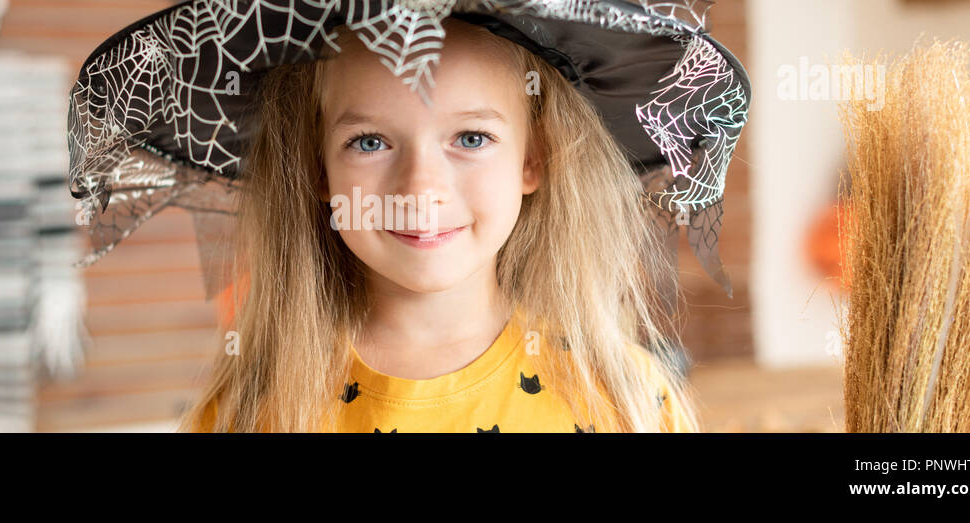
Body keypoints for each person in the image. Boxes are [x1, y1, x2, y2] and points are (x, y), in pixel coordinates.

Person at [183, 18, 697, 433]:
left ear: (533, 157)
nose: (421, 190)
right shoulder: (248, 413)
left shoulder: (623, 400)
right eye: (370, 141)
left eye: (471, 138)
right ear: (320, 168)